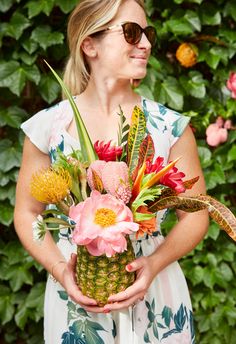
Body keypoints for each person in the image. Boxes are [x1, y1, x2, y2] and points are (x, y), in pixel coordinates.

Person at [14, 0, 209, 343]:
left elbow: (195, 215)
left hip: (154, 290)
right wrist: (61, 269)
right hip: (75, 297)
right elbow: (28, 212)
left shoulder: (170, 128)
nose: (146, 44)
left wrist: (153, 264)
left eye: (147, 33)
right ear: (90, 44)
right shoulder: (48, 129)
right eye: (132, 33)